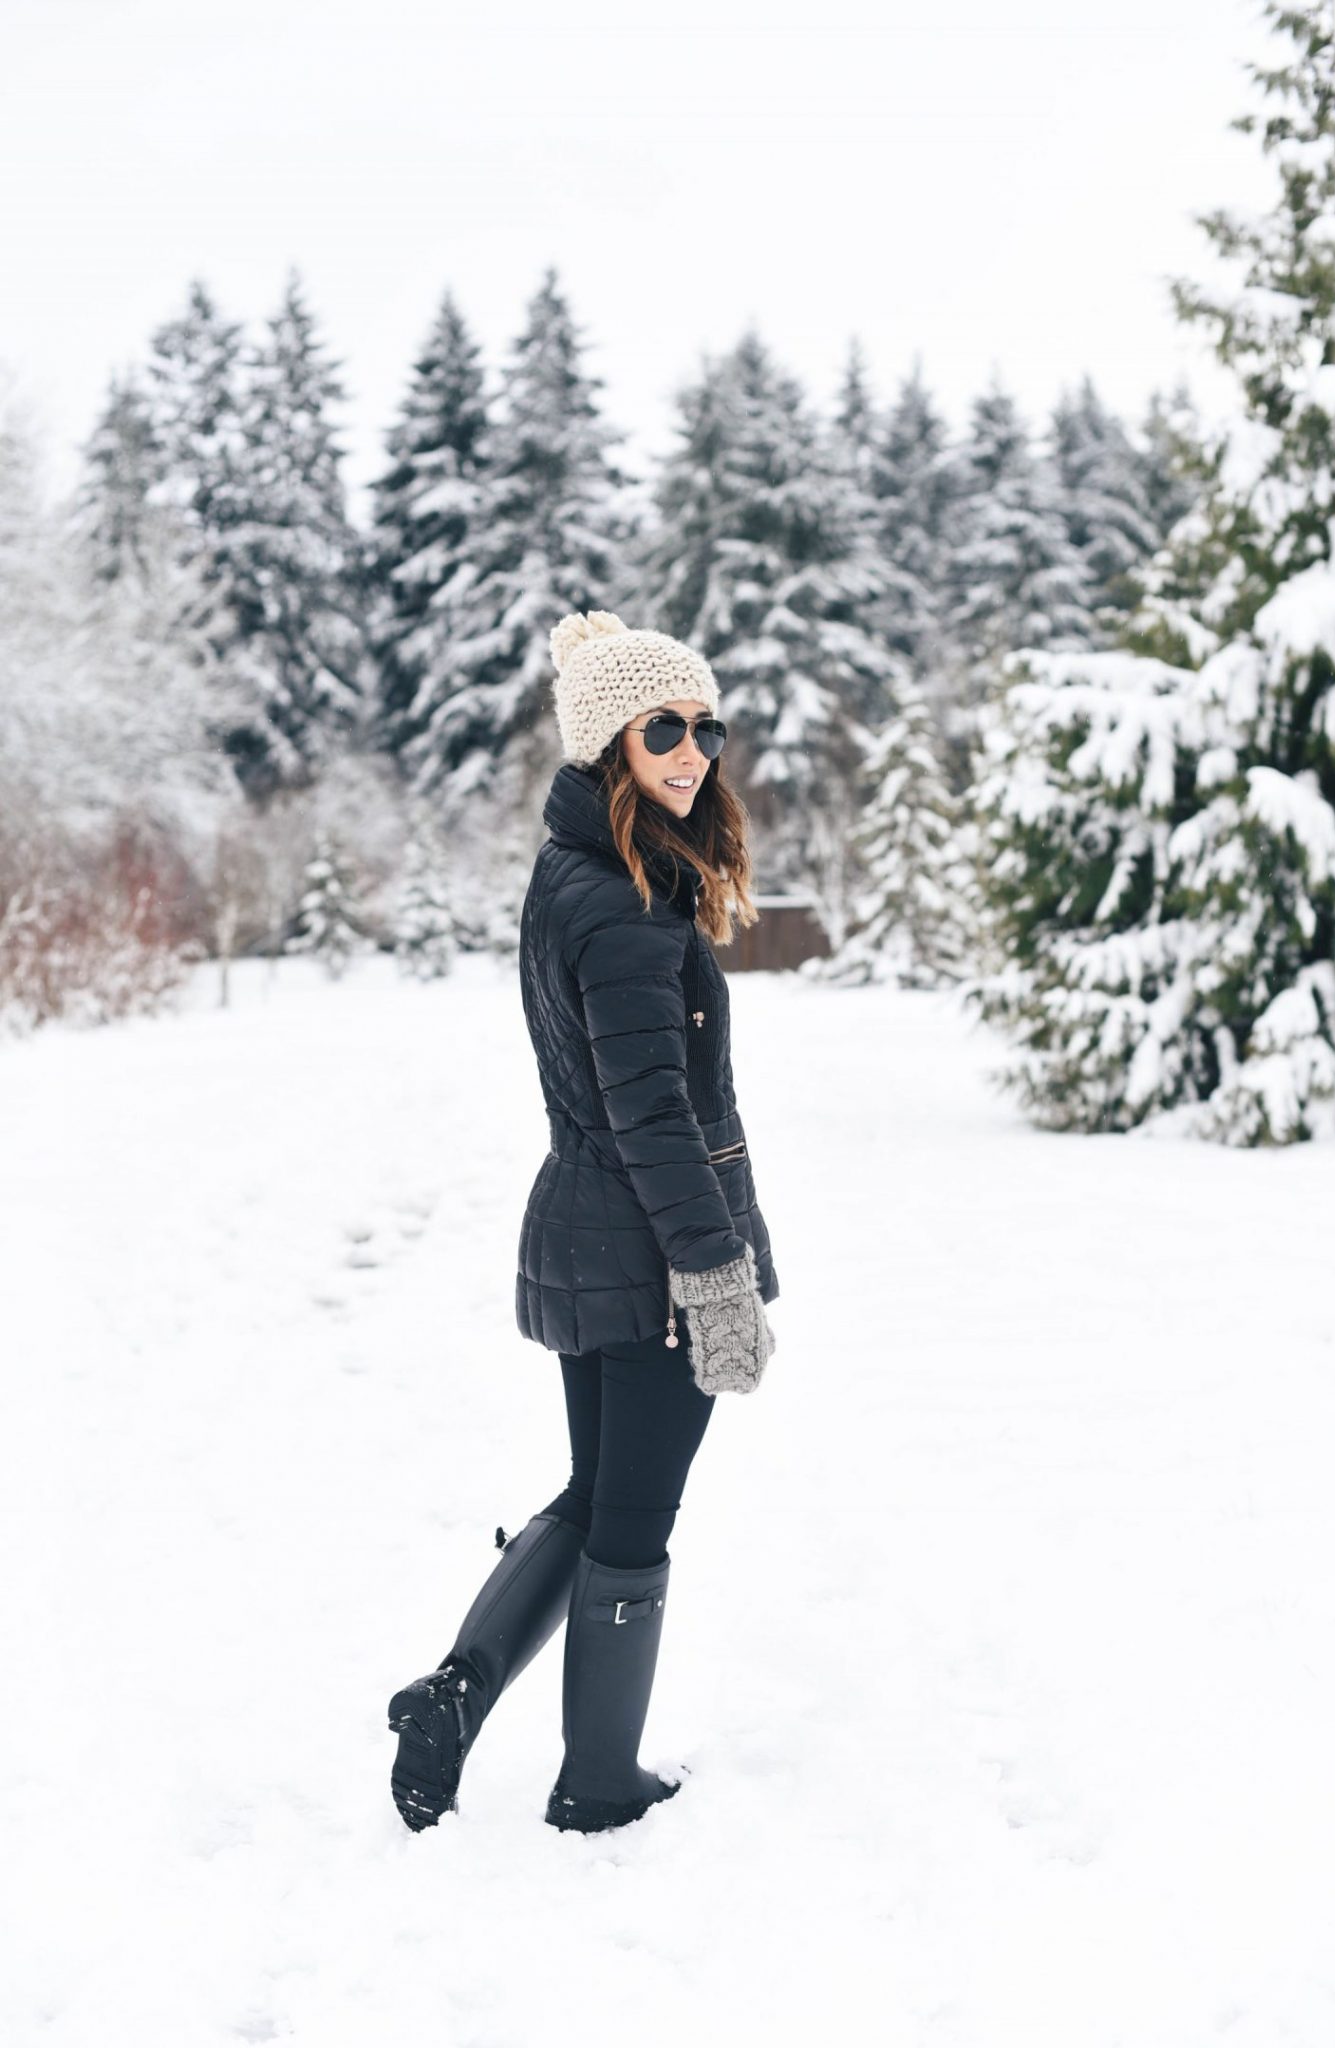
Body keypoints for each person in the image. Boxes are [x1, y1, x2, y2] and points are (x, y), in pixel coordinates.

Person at [388, 609, 780, 1837]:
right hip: (648, 1251)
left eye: (702, 726)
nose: (687, 749)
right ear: (607, 736)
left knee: (593, 1487)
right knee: (633, 1516)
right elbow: (650, 1112)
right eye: (660, 725)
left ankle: (453, 1694)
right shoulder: (620, 904)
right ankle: (596, 1781)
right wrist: (715, 1274)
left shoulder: (583, 870)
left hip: (590, 1228)